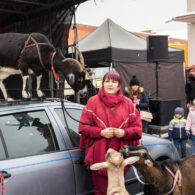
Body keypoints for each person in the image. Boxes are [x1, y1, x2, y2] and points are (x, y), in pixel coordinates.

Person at [78, 71, 142, 195]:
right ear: (103, 83)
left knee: (118, 191)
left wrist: (124, 133)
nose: (110, 84)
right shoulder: (92, 102)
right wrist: (101, 132)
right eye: (107, 81)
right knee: (101, 191)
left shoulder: (128, 104)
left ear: (119, 85)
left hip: (120, 157)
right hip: (99, 155)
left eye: (114, 82)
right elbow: (83, 128)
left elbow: (138, 129)